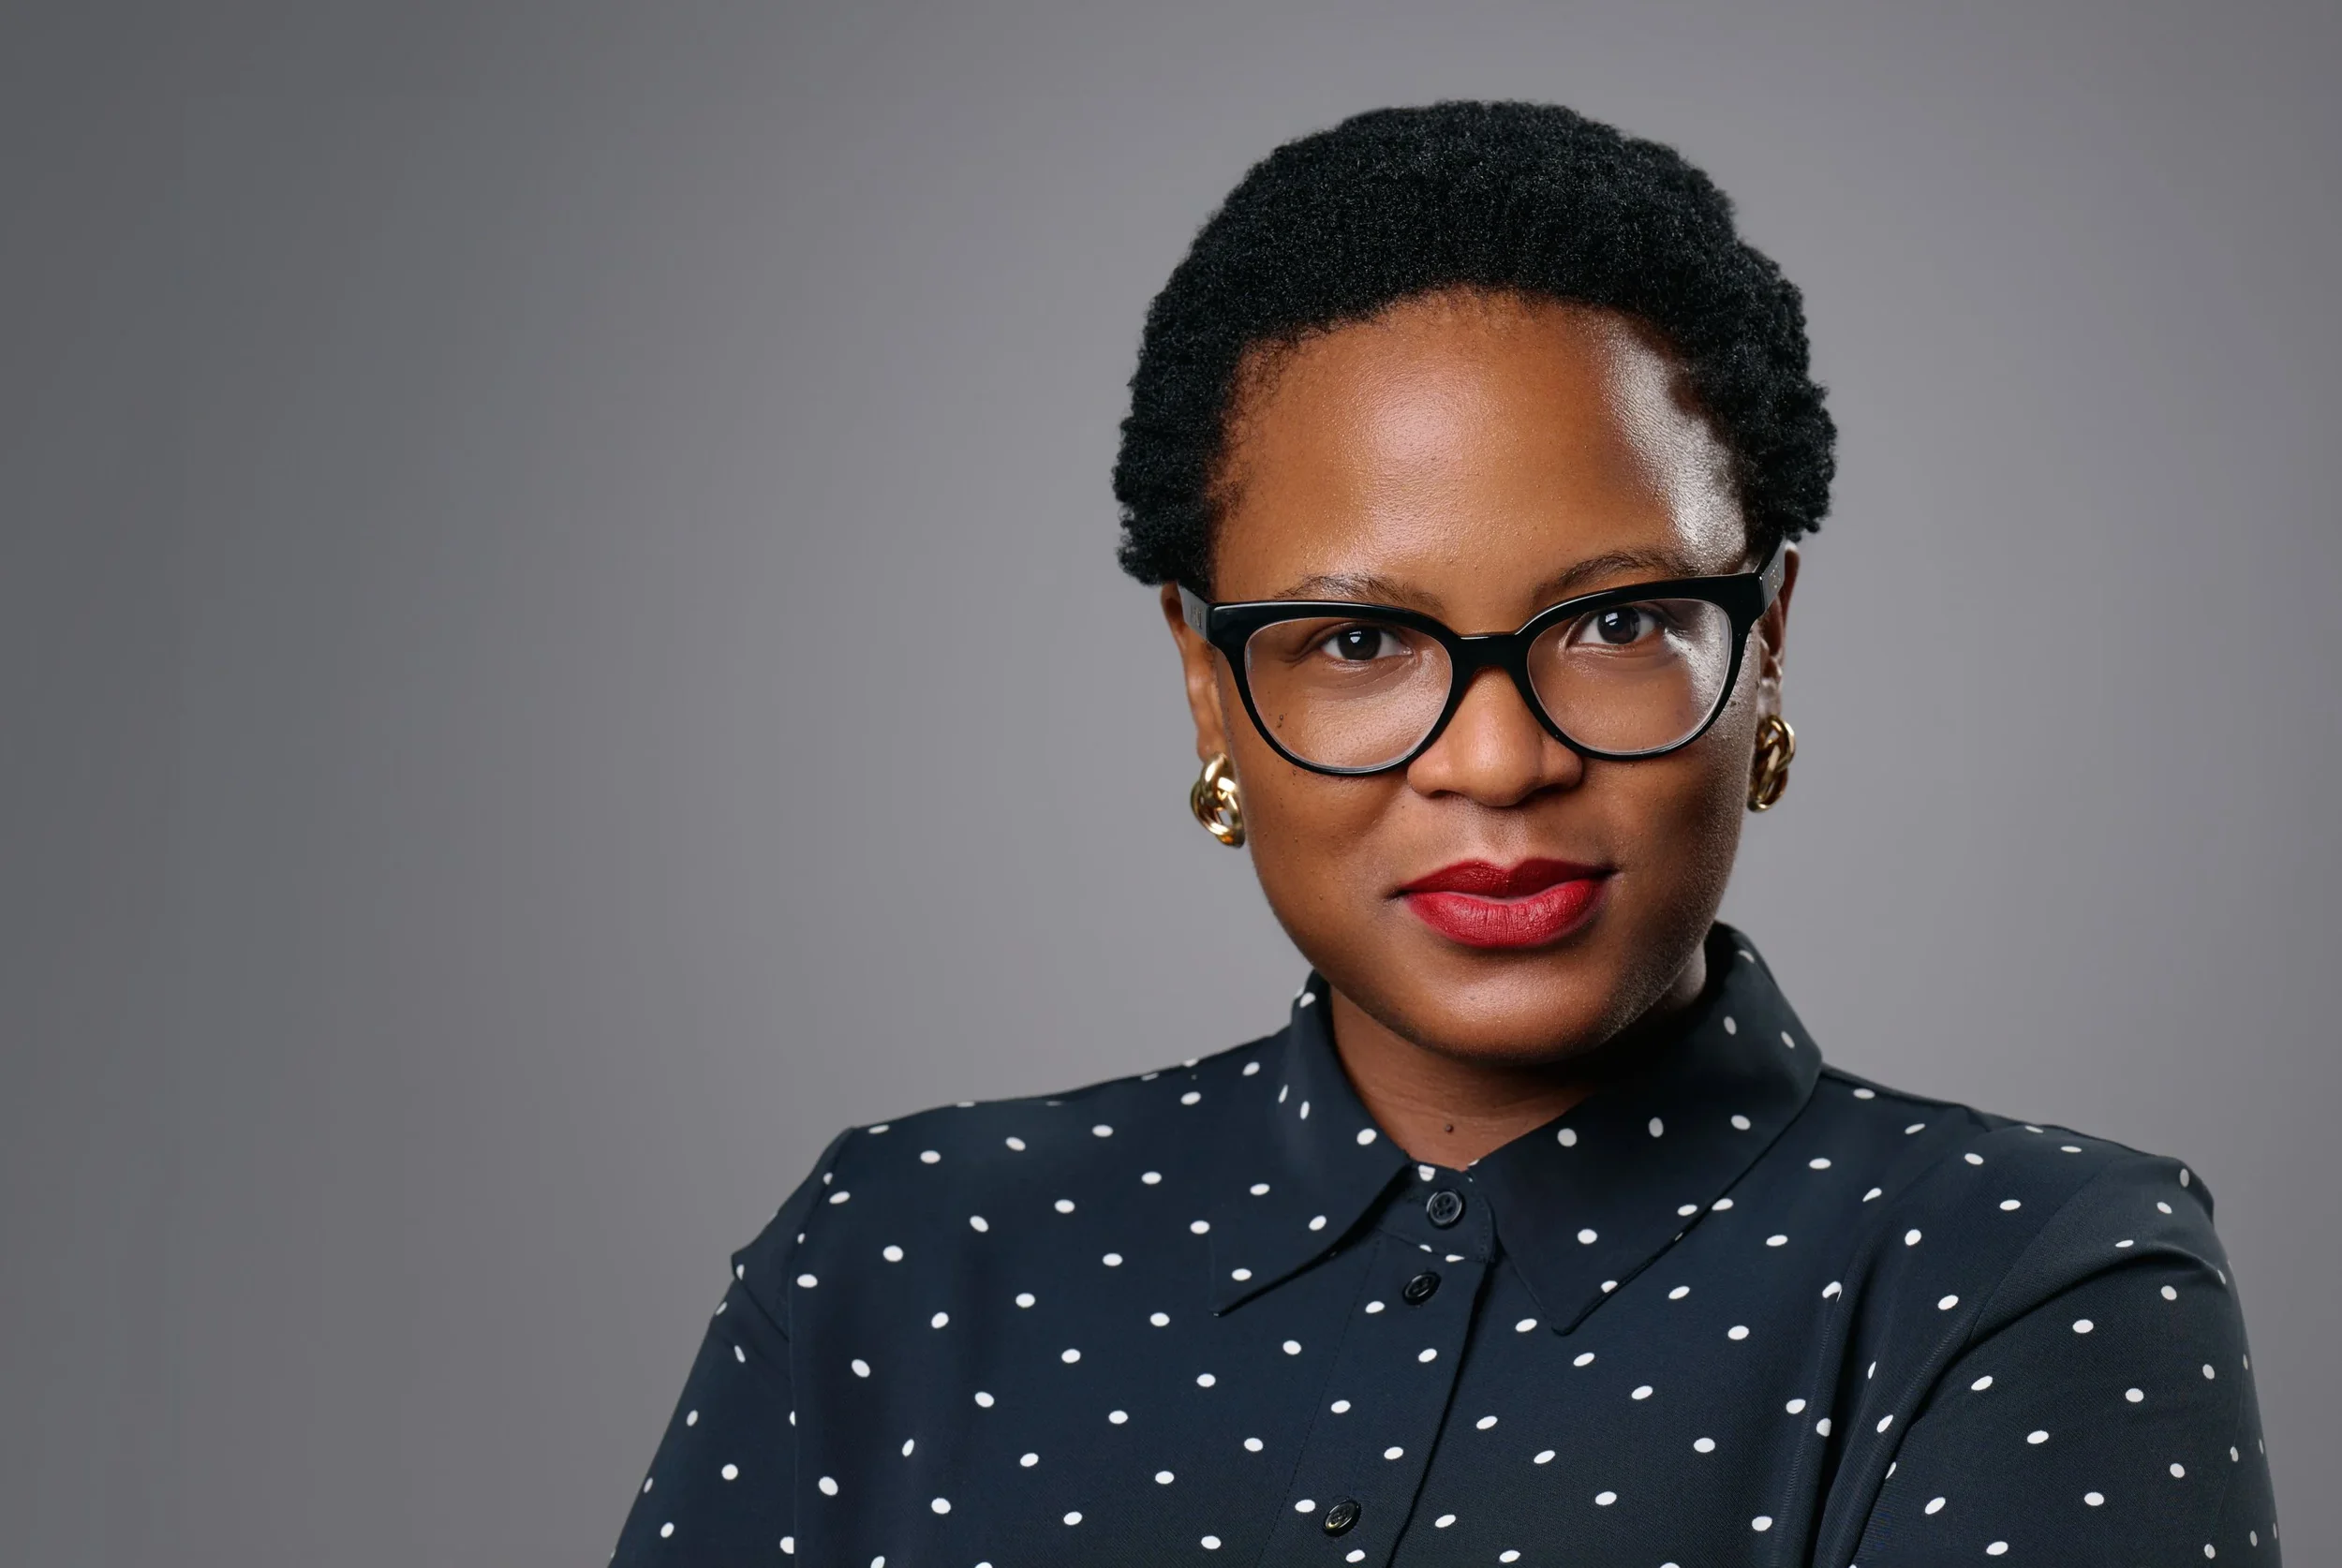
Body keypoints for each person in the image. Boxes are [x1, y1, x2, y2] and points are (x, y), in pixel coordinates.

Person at [611, 101, 2278, 1565]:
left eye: (1619, 624)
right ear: (1209, 690)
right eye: (1358, 642)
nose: (1496, 760)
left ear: (1763, 646)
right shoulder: (907, 1253)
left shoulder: (2032, 1277)